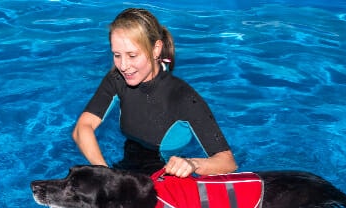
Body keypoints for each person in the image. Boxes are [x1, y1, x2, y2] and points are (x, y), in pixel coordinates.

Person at [72, 8, 237, 178]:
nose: (123, 65)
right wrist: (105, 174)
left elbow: (227, 161)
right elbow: (82, 128)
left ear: (156, 49)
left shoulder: (183, 97)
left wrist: (192, 163)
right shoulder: (117, 78)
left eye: (132, 55)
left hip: (164, 177)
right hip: (126, 168)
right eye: (117, 55)